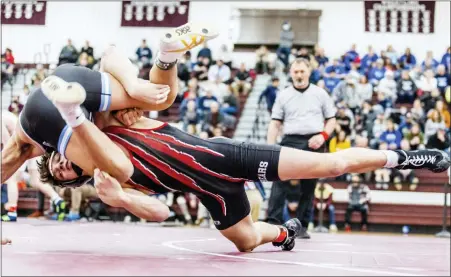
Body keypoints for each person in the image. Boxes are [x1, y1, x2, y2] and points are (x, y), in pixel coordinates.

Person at [25, 75, 450, 253]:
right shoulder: (110, 175)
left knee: (330, 166)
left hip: (230, 156)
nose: (64, 160)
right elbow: (162, 211)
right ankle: (285, 232)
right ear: (79, 173)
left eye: (58, 158)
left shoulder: (112, 123)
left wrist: (155, 68)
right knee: (246, 241)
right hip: (211, 192)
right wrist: (121, 201)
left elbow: (136, 79)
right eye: (64, 169)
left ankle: (411, 156)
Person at [266, 58, 337, 239]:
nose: (299, 75)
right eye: (295, 72)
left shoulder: (320, 94)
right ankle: (273, 222)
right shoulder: (283, 95)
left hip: (313, 141)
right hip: (289, 140)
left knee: (309, 185)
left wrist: (322, 136)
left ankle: (302, 226)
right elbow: (275, 123)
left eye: (302, 71)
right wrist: (268, 148)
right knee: (279, 179)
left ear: (309, 72)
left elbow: (331, 120)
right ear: (291, 73)